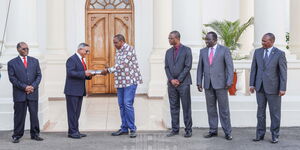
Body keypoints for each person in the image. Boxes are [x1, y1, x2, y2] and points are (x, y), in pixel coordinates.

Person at [101, 34, 143, 138]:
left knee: (127, 104)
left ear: (122, 41)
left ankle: (132, 129)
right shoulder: (118, 50)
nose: (114, 44)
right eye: (113, 42)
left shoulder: (129, 49)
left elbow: (123, 64)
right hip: (120, 82)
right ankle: (124, 128)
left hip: (130, 81)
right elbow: (119, 67)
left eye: (115, 42)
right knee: (121, 105)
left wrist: (108, 70)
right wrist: (109, 68)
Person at [250, 33, 287, 144]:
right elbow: (253, 69)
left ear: (271, 41)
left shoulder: (280, 54)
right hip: (259, 87)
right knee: (260, 113)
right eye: (262, 40)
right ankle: (259, 135)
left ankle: (275, 135)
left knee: (274, 113)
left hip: (274, 88)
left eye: (264, 41)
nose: (262, 43)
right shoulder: (257, 52)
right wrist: (251, 84)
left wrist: (283, 88)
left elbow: (283, 73)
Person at [196, 31, 234, 140]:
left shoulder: (224, 50)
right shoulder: (203, 51)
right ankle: (213, 130)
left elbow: (230, 67)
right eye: (206, 39)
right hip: (208, 85)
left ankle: (227, 132)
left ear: (215, 40)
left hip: (221, 85)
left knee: (224, 109)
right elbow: (200, 68)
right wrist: (199, 82)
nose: (207, 41)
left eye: (209, 40)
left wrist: (229, 81)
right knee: (211, 109)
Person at [8, 42, 43, 143]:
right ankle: (17, 135)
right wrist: (25, 87)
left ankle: (35, 134)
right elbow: (12, 79)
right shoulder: (12, 63)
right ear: (18, 49)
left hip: (33, 92)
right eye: (24, 49)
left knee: (34, 115)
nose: (26, 50)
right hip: (20, 94)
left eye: (27, 48)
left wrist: (33, 86)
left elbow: (39, 75)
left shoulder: (35, 61)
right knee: (19, 115)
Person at [164, 31, 193, 138]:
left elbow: (187, 66)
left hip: (184, 83)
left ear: (177, 38)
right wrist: (171, 79)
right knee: (173, 107)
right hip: (171, 85)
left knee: (186, 107)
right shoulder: (168, 52)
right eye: (168, 38)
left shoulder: (187, 50)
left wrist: (179, 80)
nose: (169, 40)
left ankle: (188, 130)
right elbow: (166, 67)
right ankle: (175, 129)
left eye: (170, 38)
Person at [64, 43, 93, 139]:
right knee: (72, 112)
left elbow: (81, 74)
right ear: (80, 49)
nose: (87, 53)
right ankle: (72, 132)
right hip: (72, 91)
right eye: (86, 51)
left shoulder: (81, 60)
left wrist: (89, 75)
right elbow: (70, 73)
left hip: (79, 90)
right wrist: (84, 73)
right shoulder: (72, 59)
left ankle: (75, 131)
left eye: (88, 51)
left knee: (77, 112)